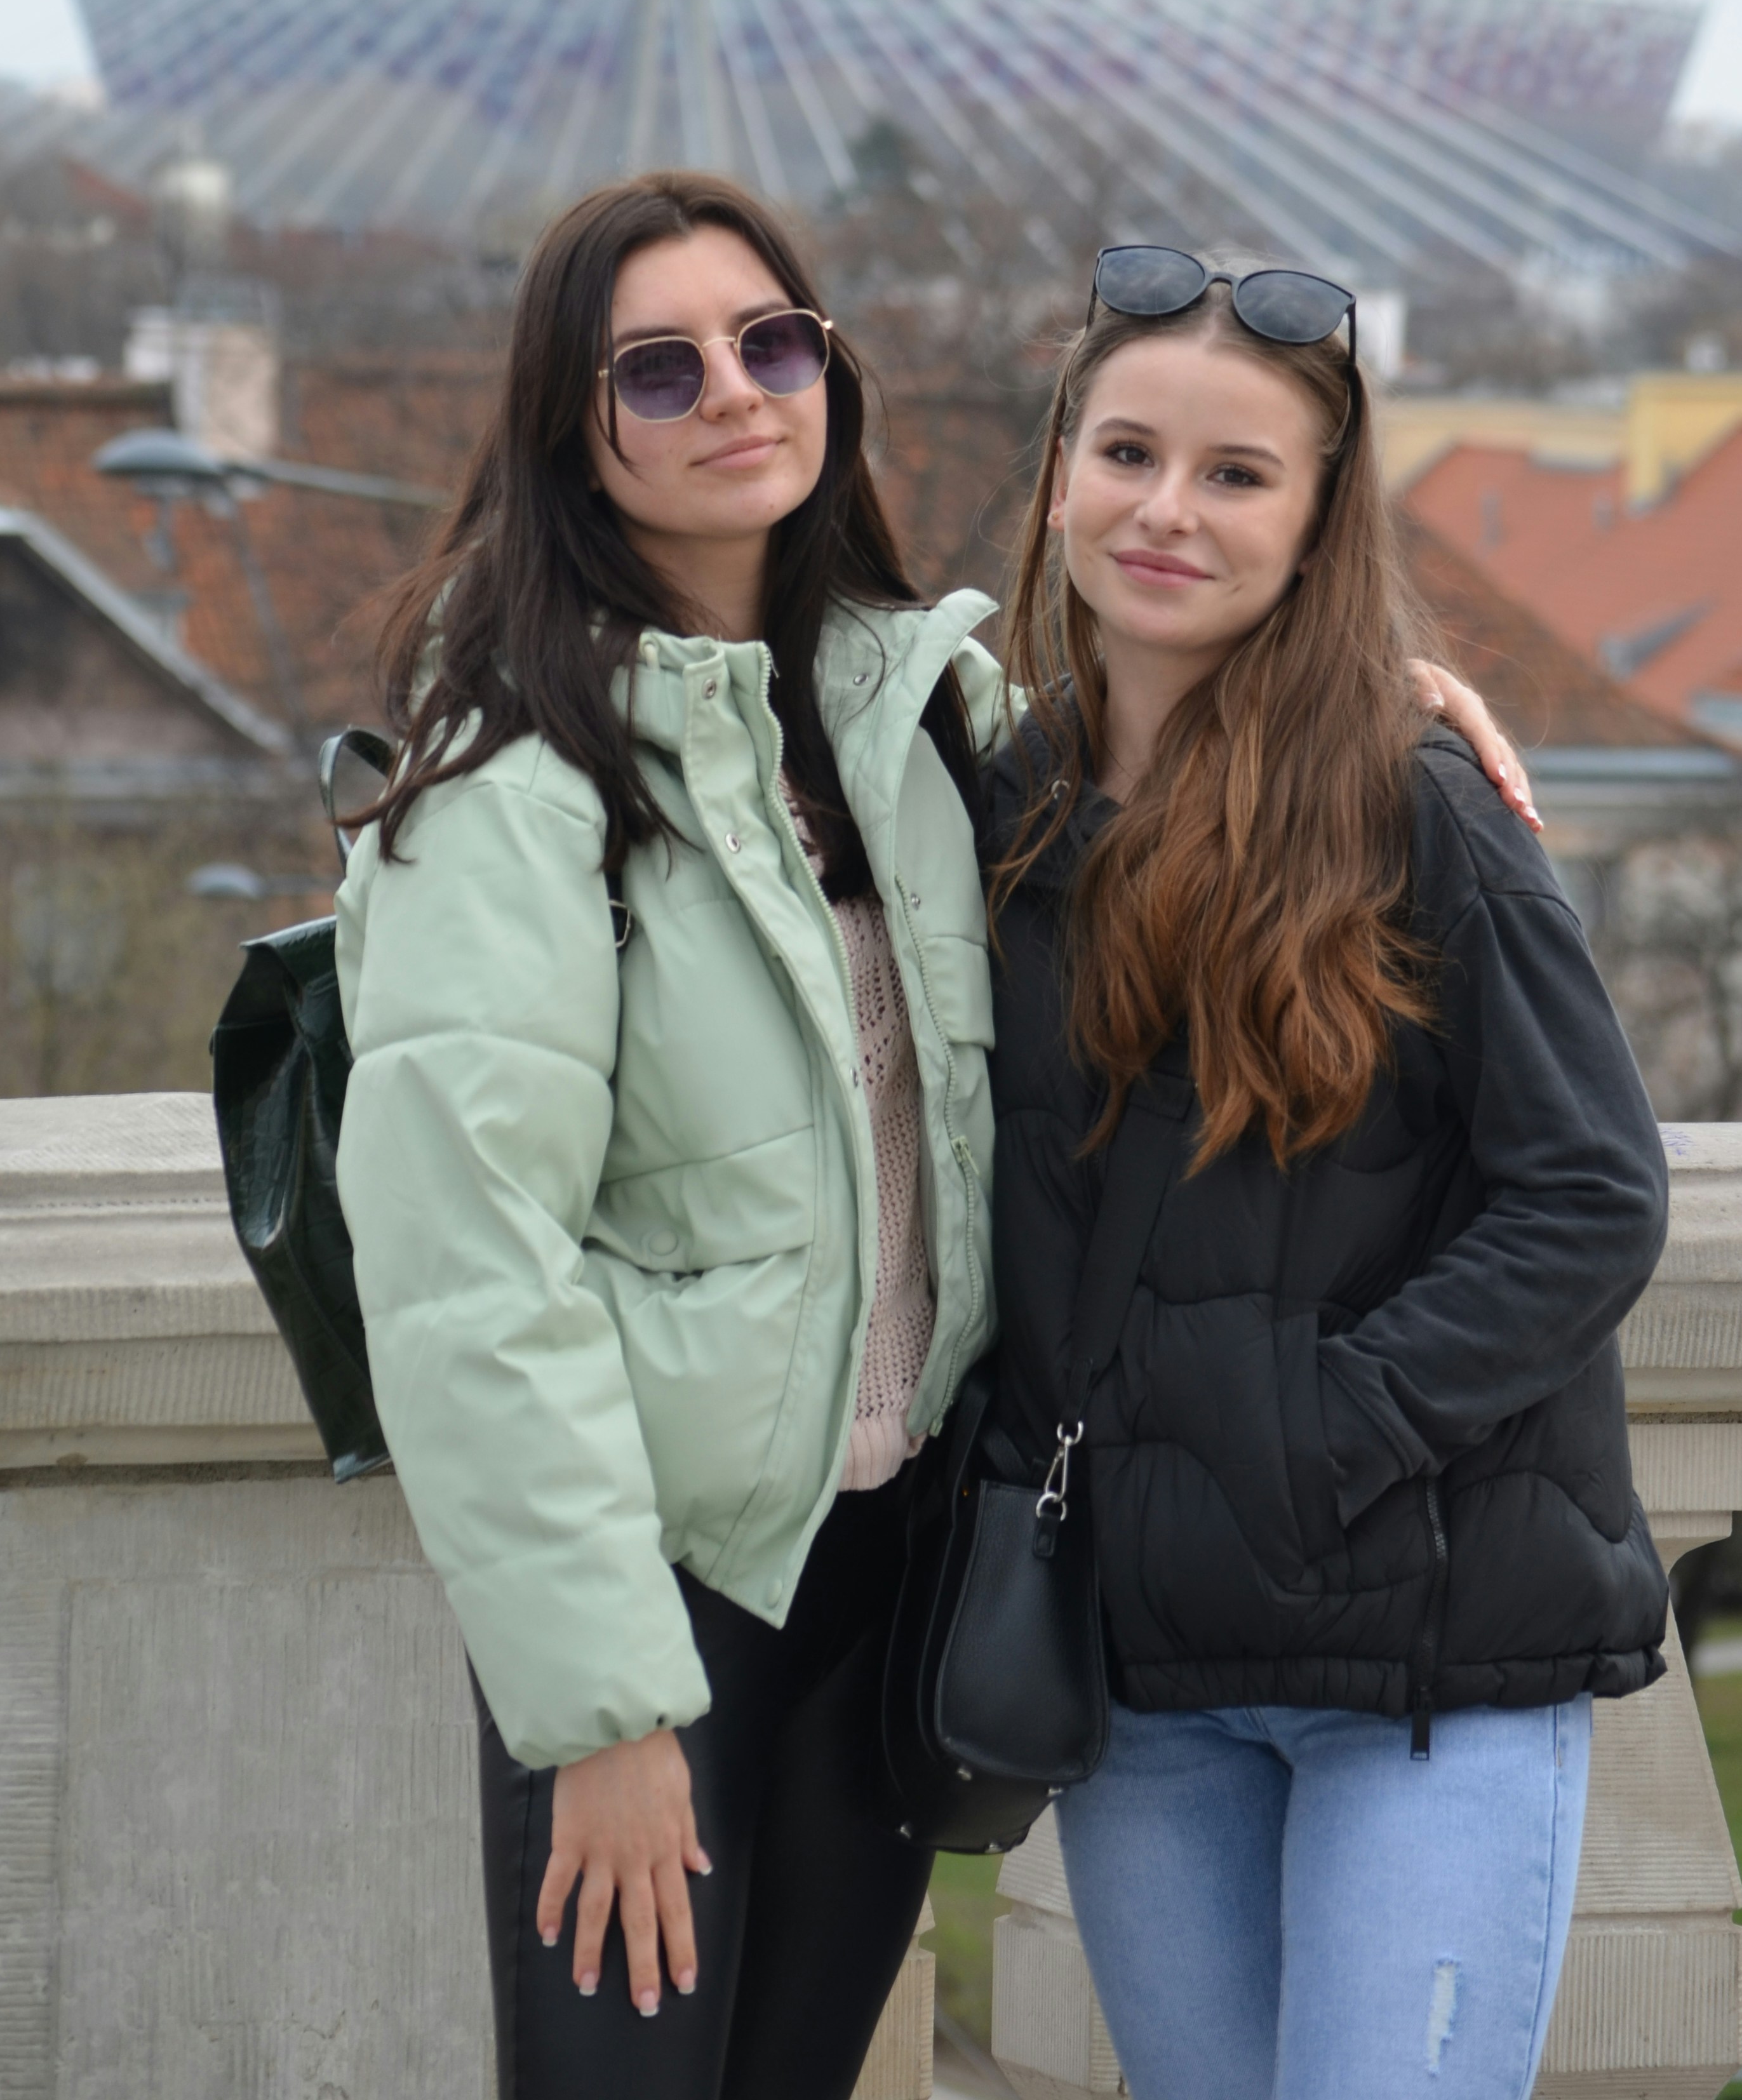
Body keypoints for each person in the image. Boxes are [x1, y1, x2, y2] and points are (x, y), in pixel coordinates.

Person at [332, 178, 1529, 2100]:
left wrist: (1355, 690)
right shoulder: (508, 780)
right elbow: (471, 1274)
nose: (736, 393)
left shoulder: (915, 712)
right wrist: (604, 1711)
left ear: (833, 376)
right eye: (660, 369)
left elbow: (1148, 748)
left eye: (773, 343)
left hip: (890, 1591)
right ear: (575, 428)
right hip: (675, 1605)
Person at [983, 246, 1671, 2100]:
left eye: (1235, 476)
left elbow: (1593, 1193)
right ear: (1058, 471)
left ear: (1314, 522)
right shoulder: (995, 811)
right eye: (1127, 453)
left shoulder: (1417, 805)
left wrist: (1328, 1431)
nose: (1165, 513)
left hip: (1428, 1669)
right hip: (1145, 1680)